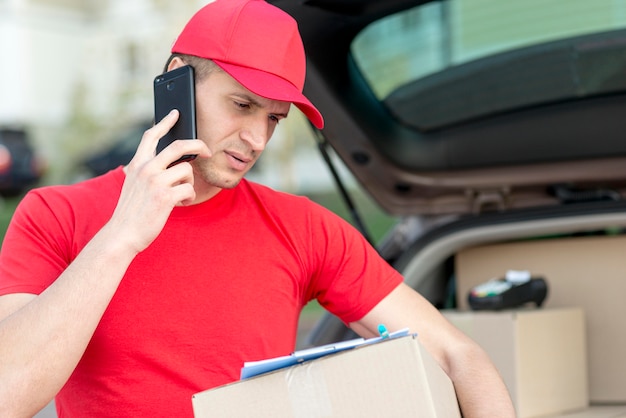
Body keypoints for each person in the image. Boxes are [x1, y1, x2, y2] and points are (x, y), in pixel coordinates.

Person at [0, 0, 515, 416]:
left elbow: (457, 355)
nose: (255, 138)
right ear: (176, 80)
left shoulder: (305, 227)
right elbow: (9, 393)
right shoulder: (55, 214)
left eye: (274, 118)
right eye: (242, 105)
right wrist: (121, 237)